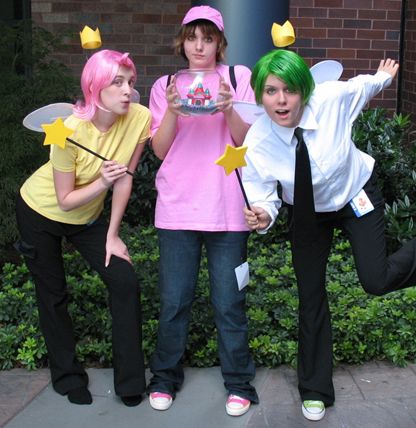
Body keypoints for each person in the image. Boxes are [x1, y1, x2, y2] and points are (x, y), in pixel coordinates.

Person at [242, 49, 416, 422]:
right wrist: (262, 215)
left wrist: (383, 77)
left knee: (375, 279)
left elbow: (361, 88)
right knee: (311, 297)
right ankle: (315, 390)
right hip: (306, 213)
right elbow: (263, 196)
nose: (281, 100)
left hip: (354, 194)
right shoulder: (256, 142)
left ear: (305, 89)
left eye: (289, 90)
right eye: (270, 91)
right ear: (259, 95)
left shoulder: (331, 99)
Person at [15, 49, 150, 407]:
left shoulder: (140, 118)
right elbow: (64, 199)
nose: (127, 91)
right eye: (117, 83)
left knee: (124, 281)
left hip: (88, 218)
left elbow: (126, 178)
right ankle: (68, 377)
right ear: (95, 87)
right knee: (53, 293)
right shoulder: (69, 130)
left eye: (130, 82)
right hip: (41, 211)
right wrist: (102, 183)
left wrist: (113, 235)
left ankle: (131, 383)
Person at [146, 5, 258, 417]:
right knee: (174, 301)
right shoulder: (166, 85)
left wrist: (229, 107)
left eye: (207, 38)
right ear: (182, 40)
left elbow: (247, 141)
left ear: (219, 43)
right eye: (192, 37)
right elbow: (159, 150)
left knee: (229, 302)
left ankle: (239, 383)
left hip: (228, 207)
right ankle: (164, 378)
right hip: (177, 208)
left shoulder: (238, 78)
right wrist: (173, 112)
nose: (199, 45)